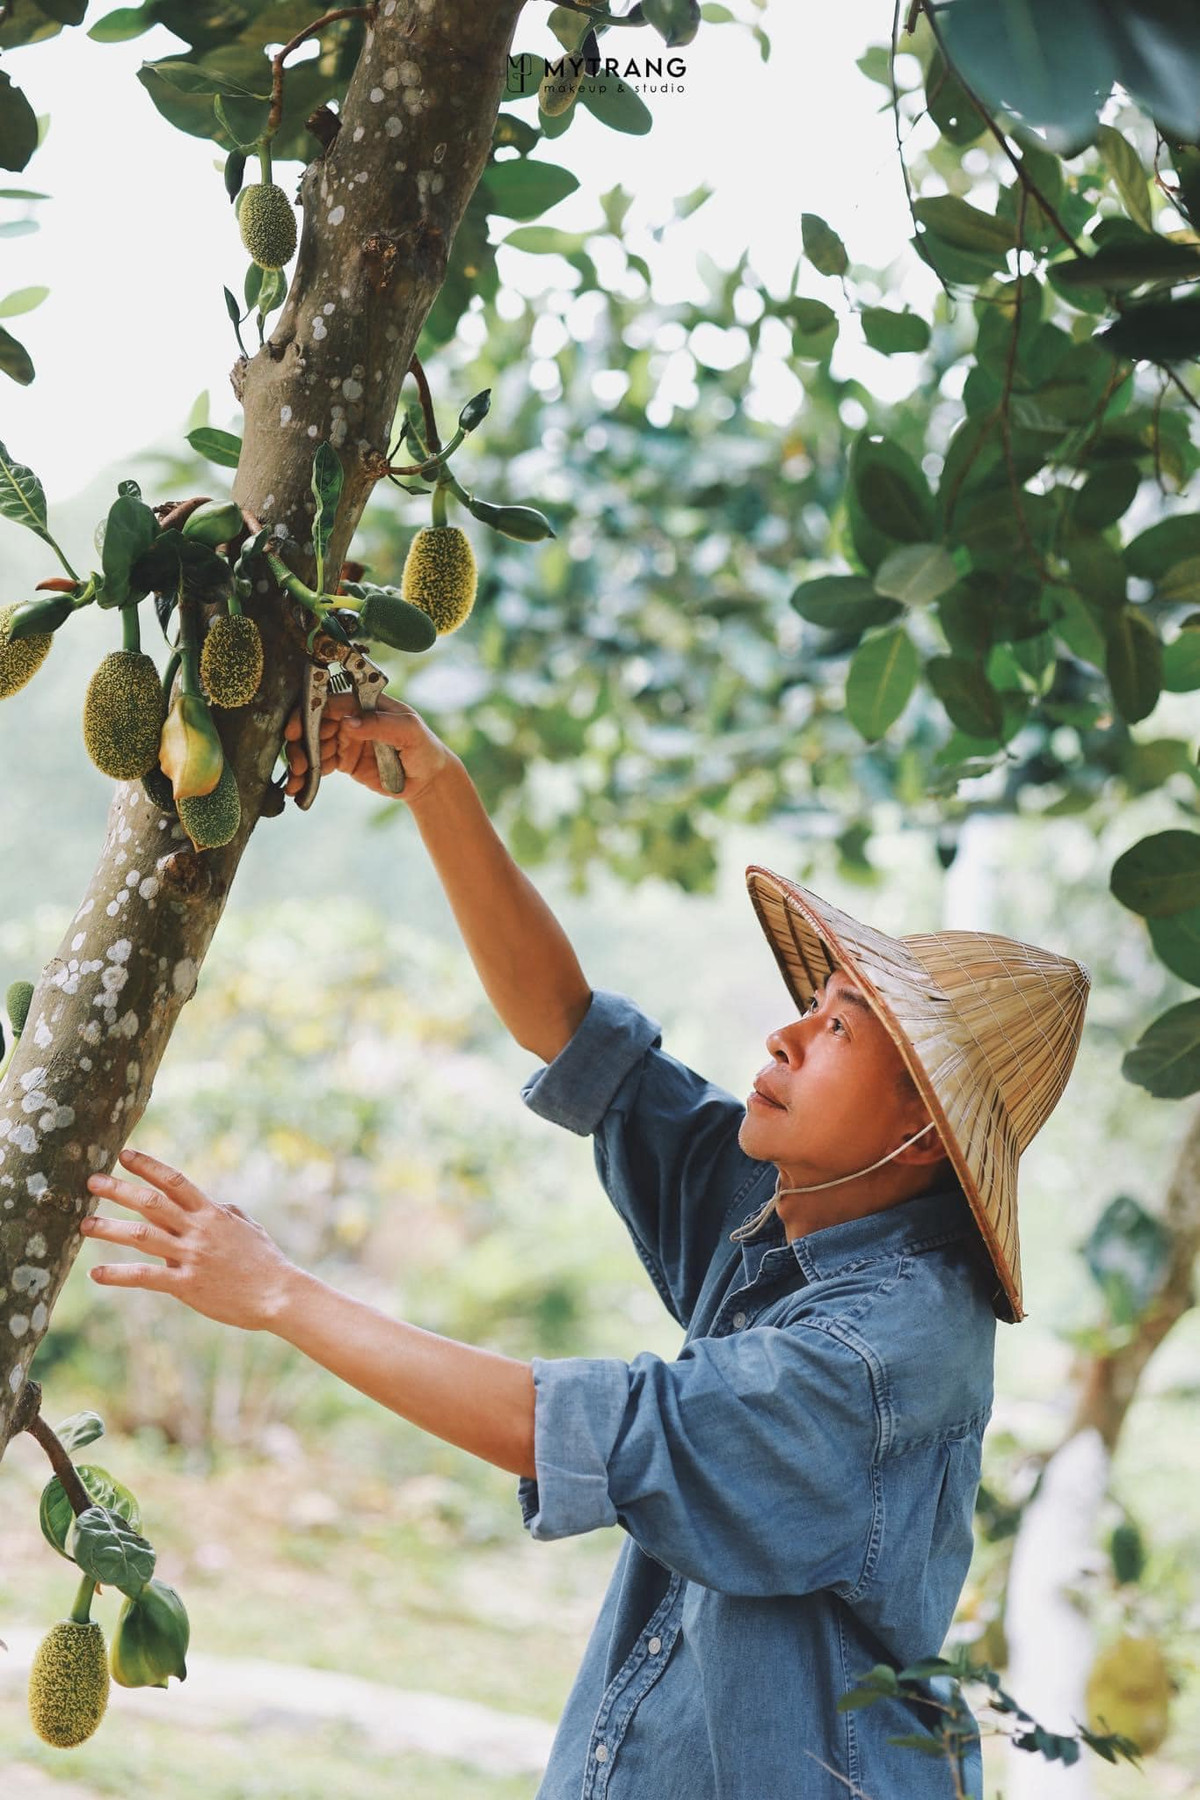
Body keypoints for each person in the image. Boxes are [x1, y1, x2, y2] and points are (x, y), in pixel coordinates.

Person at [79, 693, 1092, 1800]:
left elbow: (590, 1430)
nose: (787, 1032)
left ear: (918, 1129)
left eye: (841, 1027)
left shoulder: (881, 1348)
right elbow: (576, 1035)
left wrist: (275, 1292)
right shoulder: (793, 1205)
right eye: (817, 1003)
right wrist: (436, 786)